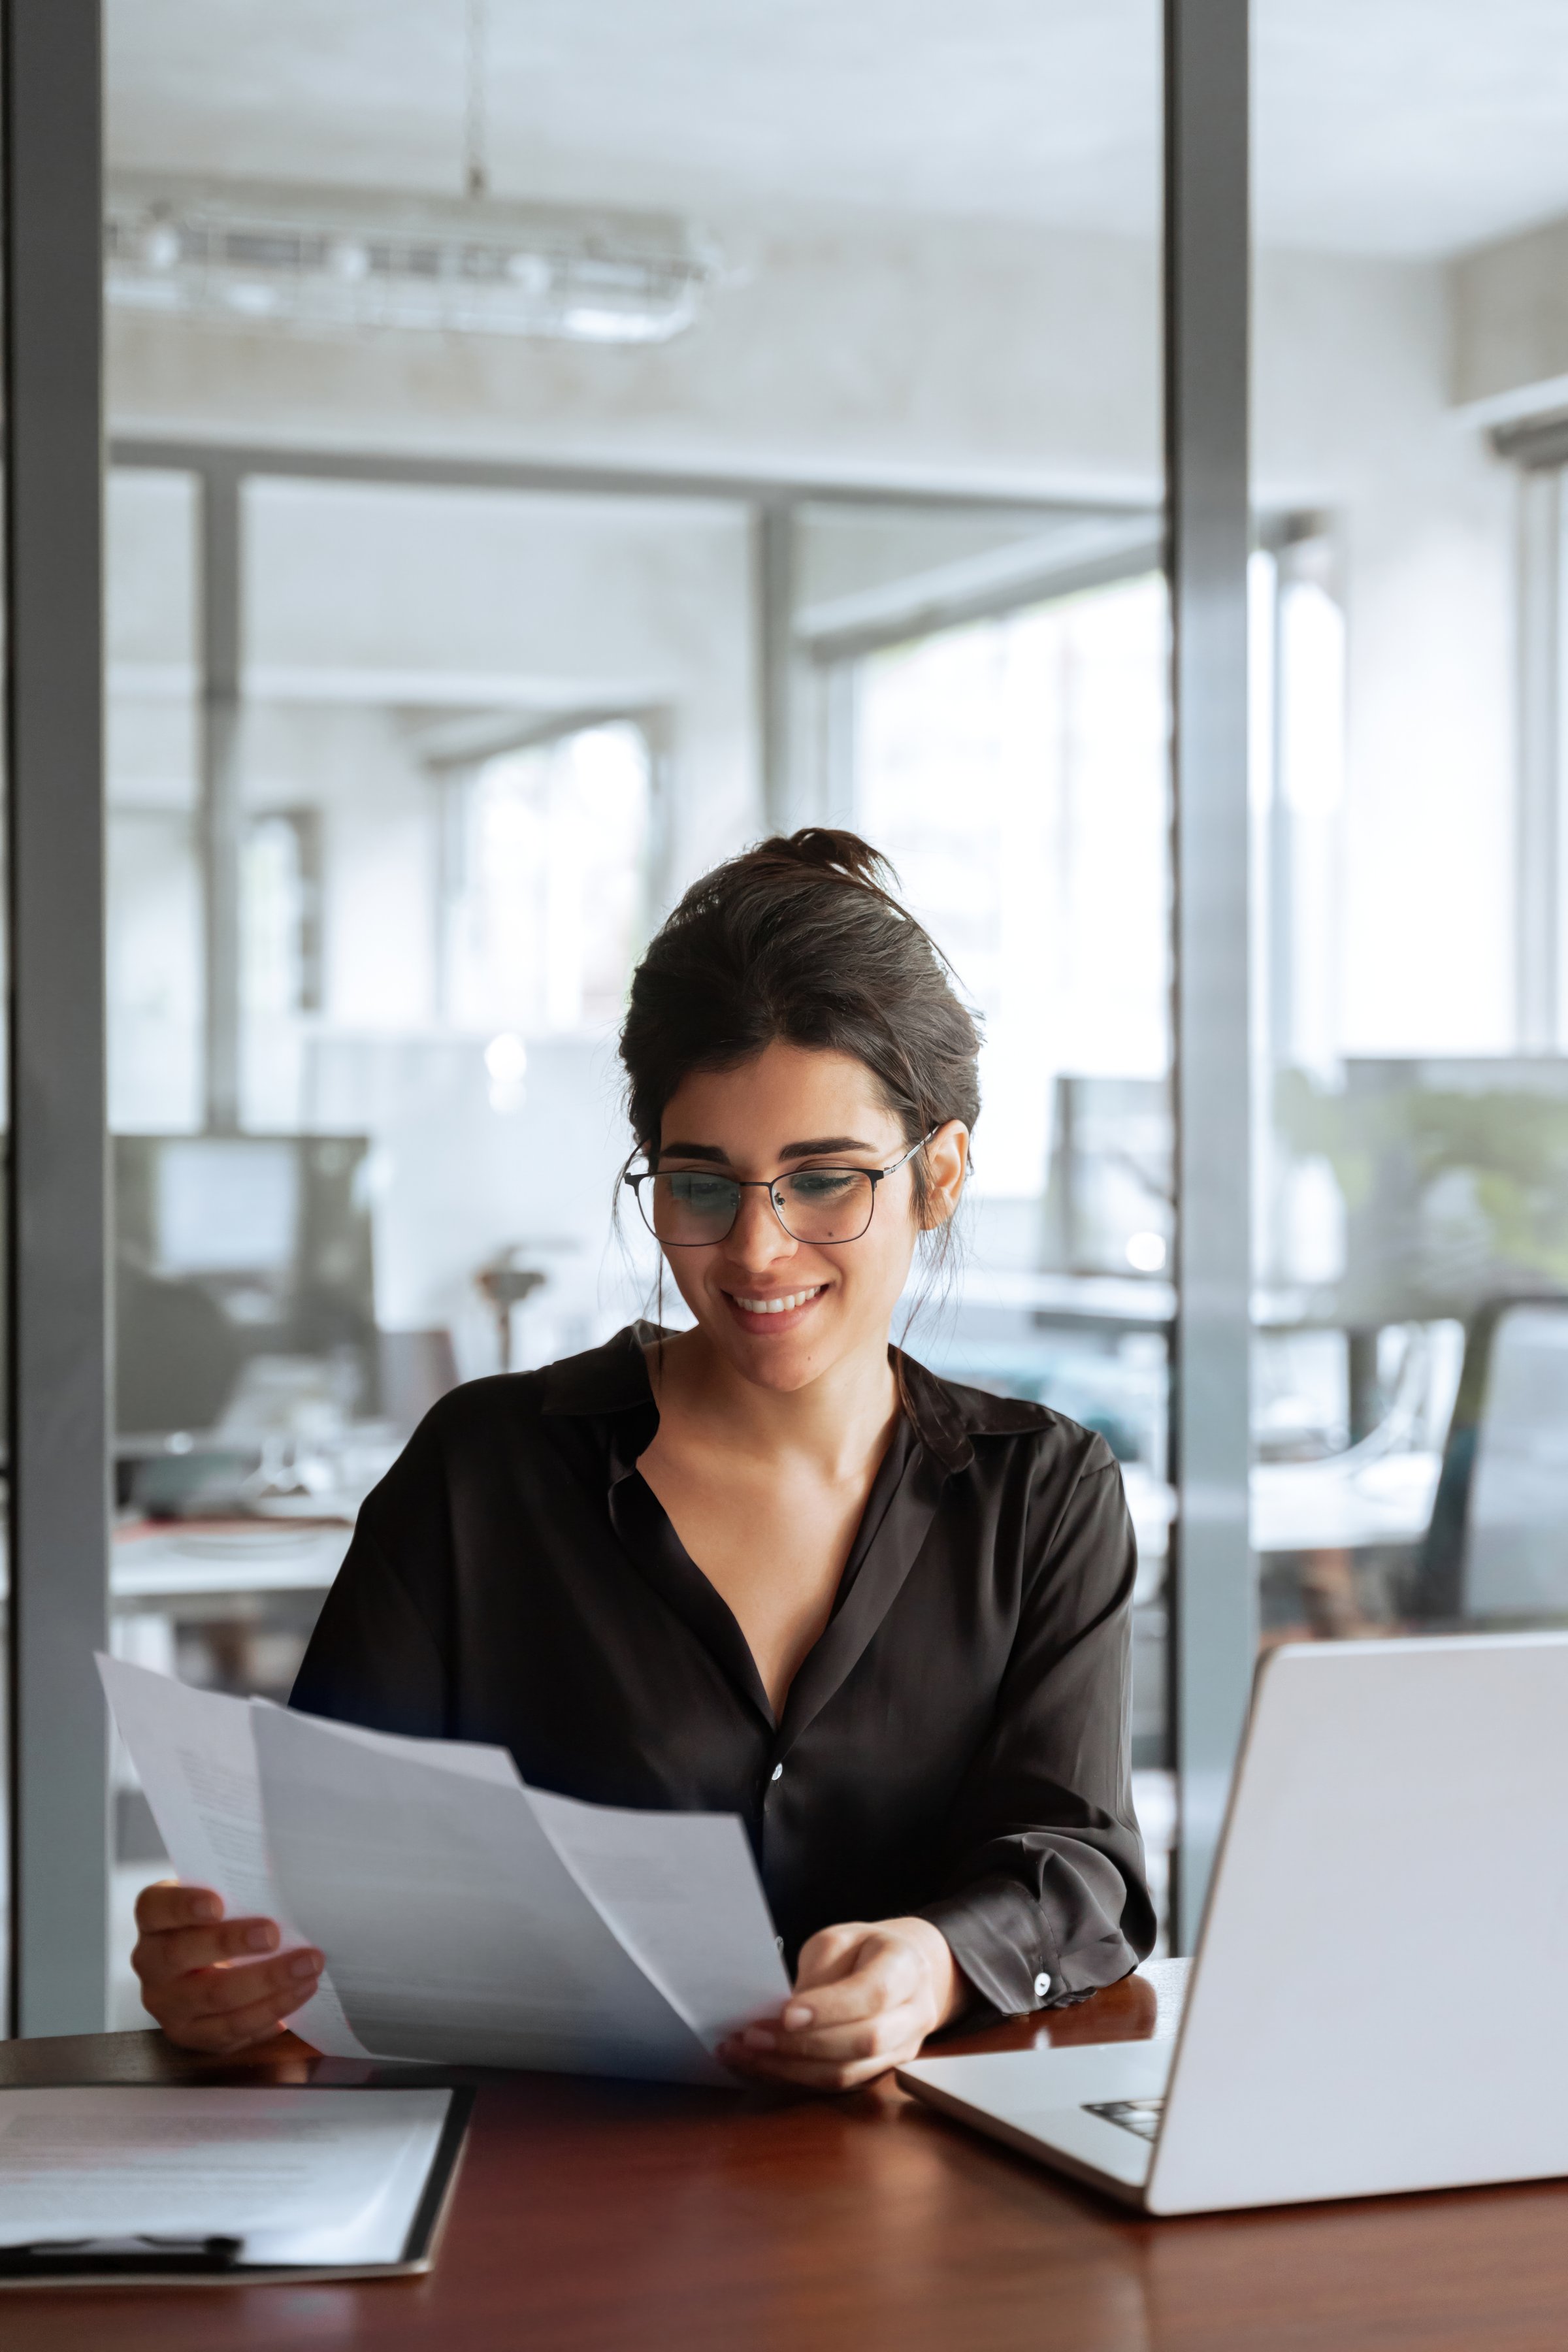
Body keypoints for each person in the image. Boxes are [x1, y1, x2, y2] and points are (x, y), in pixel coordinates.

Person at [131, 829, 1154, 2087]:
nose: (758, 1251)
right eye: (702, 1185)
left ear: (937, 1174)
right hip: (542, 2170)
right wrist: (227, 1971)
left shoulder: (1041, 1492)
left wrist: (933, 1963)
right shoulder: (485, 1474)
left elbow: (1080, 1865)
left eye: (824, 1182)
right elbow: (316, 1876)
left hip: (919, 2169)